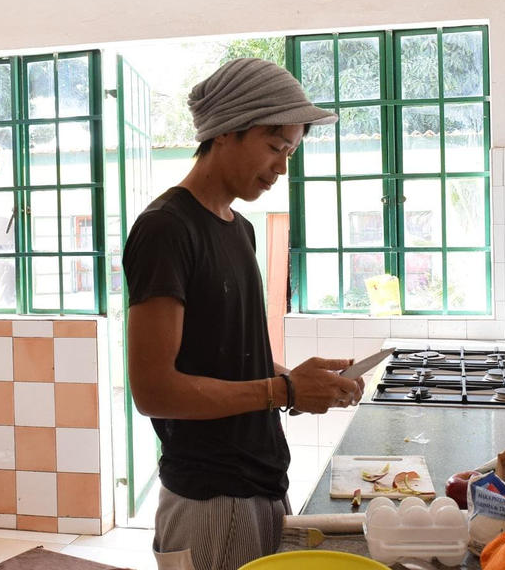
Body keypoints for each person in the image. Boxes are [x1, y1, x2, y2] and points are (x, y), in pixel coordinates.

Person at [123, 57, 364, 570]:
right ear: (227, 131)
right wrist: (284, 391)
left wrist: (296, 378)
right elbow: (153, 391)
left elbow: (226, 359)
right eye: (275, 147)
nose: (282, 166)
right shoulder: (166, 229)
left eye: (291, 152)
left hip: (262, 482)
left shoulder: (240, 228)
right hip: (209, 499)